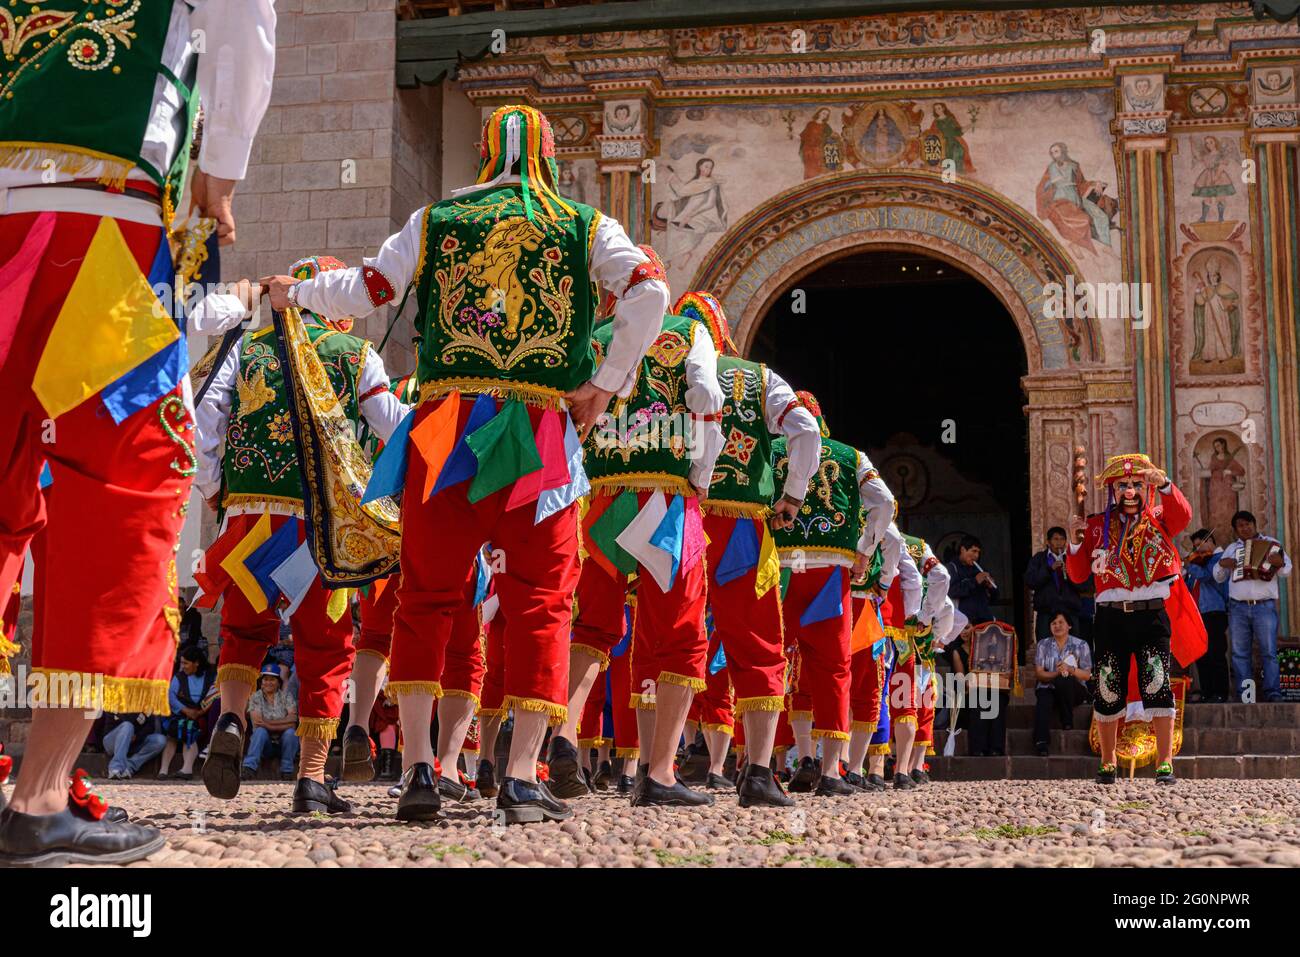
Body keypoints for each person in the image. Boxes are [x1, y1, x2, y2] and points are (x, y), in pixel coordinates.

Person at [257, 104, 668, 826]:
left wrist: (300, 294)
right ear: (545, 154)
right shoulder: (583, 224)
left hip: (446, 428)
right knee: (541, 599)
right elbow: (649, 287)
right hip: (538, 433)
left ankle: (418, 769)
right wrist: (606, 380)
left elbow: (369, 290)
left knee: (427, 597)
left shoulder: (437, 218)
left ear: (484, 153)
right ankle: (517, 777)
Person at [0, 0, 276, 867]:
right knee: (121, 484)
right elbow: (244, 16)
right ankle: (40, 795)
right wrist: (221, 166)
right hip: (104, 219)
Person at [195, 255, 408, 816]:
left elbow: (204, 422)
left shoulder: (246, 348)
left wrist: (216, 492)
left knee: (243, 629)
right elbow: (395, 426)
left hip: (249, 518)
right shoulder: (355, 354)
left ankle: (235, 719)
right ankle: (312, 776)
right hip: (321, 525)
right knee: (325, 643)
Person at [551, 259, 724, 809]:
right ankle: (661, 771)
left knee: (593, 626)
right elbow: (705, 400)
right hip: (664, 499)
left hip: (600, 502)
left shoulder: (593, 337)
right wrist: (699, 477)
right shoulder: (686, 332)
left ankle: (563, 737)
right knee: (679, 635)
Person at [673, 290, 822, 808]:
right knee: (758, 641)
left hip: (680, 518)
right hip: (741, 527)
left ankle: (649, 769)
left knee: (673, 633)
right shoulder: (758, 378)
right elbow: (805, 428)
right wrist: (792, 497)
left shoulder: (664, 365)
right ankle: (757, 772)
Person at [773, 392, 894, 797]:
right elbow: (886, 503)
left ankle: (761, 764)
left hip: (782, 570)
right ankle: (830, 772)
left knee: (775, 663)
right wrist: (864, 548)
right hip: (830, 575)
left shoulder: (771, 450)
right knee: (833, 668)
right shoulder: (851, 456)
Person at [1066, 453, 1191, 785]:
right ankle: (1107, 763)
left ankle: (1165, 762)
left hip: (1151, 617)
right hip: (1110, 619)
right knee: (1108, 687)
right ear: (1113, 489)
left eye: (1137, 484)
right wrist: (1075, 542)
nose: (1131, 491)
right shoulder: (1095, 526)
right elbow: (1078, 576)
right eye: (1123, 485)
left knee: (1156, 683)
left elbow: (1184, 515)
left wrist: (1162, 482)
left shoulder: (1160, 519)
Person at [1213, 510, 1291, 702]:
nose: (1245, 528)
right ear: (1235, 530)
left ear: (1255, 525)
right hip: (1237, 608)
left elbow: (1286, 570)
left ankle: (1273, 694)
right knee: (1240, 654)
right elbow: (1217, 575)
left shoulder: (1272, 544)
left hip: (1264, 607)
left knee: (1269, 652)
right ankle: (1246, 695)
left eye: (1248, 524)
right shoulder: (1232, 548)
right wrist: (1223, 564)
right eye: (1240, 525)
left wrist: (1279, 563)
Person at [1032, 611, 1092, 755]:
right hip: (1049, 687)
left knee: (1065, 679)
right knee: (1043, 699)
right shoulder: (1043, 645)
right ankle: (1041, 742)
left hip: (1074, 690)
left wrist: (1070, 669)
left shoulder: (1081, 644)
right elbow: (1039, 673)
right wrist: (1057, 673)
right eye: (1053, 623)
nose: (1057, 626)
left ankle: (1067, 720)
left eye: (1061, 622)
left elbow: (1086, 675)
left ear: (1069, 625)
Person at [1183, 528, 1230, 702]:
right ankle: (1206, 691)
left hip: (1213, 612)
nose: (1198, 551)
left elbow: (1207, 577)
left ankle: (1220, 692)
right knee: (1201, 656)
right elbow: (1190, 585)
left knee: (1216, 653)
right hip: (1197, 614)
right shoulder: (1198, 562)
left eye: (1200, 545)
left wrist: (1191, 565)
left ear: (1211, 542)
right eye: (1195, 547)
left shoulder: (1217, 560)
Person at [159, 646, 216, 780]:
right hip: (181, 714)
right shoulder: (179, 677)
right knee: (172, 736)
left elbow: (214, 695)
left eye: (186, 663)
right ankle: (163, 770)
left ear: (196, 663)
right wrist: (186, 710)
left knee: (189, 734)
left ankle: (187, 769)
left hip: (201, 715)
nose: (182, 666)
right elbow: (171, 697)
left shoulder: (210, 676)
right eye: (181, 663)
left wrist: (200, 712)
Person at [242, 665, 300, 780]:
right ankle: (249, 769)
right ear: (261, 682)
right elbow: (258, 722)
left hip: (283, 743)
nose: (268, 682)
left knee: (290, 733)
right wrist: (282, 723)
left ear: (278, 682)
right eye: (266, 679)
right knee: (260, 732)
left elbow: (293, 721)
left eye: (272, 679)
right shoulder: (255, 698)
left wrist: (268, 724)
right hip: (265, 744)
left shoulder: (286, 697)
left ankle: (287, 771)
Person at [1025, 527, 1083, 640]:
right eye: (1055, 539)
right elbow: (1031, 581)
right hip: (1046, 613)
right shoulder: (1039, 559)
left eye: (1062, 539)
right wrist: (1049, 569)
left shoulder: (1071, 558)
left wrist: (1071, 574)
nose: (1059, 543)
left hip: (1069, 612)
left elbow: (1083, 585)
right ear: (1048, 542)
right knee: (1046, 650)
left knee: (1071, 652)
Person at [947, 535, 998, 625]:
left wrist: (991, 588)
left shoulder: (980, 569)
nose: (976, 555)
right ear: (963, 550)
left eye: (978, 552)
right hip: (962, 623)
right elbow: (952, 591)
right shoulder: (951, 568)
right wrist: (975, 581)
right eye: (973, 551)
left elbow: (994, 598)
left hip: (983, 620)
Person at [101, 714, 168, 781]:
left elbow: (150, 726)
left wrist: (137, 737)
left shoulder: (146, 705)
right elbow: (122, 719)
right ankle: (115, 768)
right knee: (127, 726)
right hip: (112, 742)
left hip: (135, 741)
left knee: (160, 740)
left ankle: (129, 767)